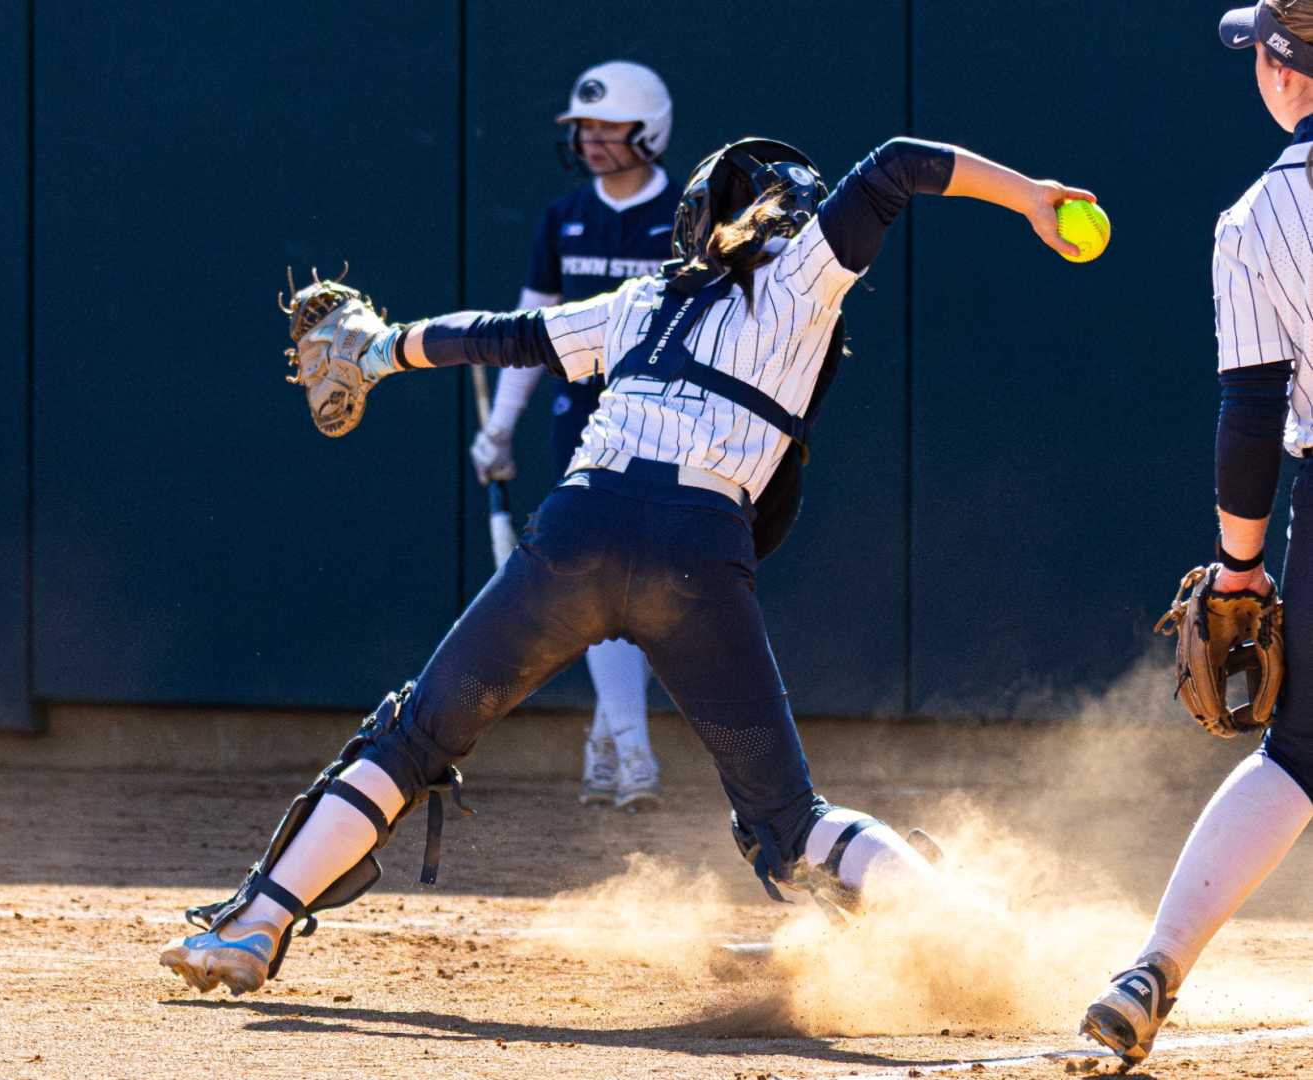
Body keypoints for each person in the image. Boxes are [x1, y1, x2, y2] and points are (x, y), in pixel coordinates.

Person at [161, 131, 1094, 997]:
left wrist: (378, 349)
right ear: (793, 216)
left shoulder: (643, 300)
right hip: (698, 551)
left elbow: (503, 335)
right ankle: (967, 932)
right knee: (789, 823)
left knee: (412, 740)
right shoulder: (805, 278)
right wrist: (1032, 197)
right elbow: (897, 163)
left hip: (580, 527)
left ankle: (256, 925)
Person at [1080, 2, 1313, 1066]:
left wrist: (1241, 566)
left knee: (1299, 757)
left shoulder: (1262, 216)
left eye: (1261, 51)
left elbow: (1254, 413)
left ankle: (1155, 969)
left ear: (1286, 73)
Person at [470, 60, 680, 810]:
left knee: (640, 589)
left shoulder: (687, 217)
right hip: (580, 427)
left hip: (666, 425)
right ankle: (634, 754)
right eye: (582, 128)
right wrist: (499, 429)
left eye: (606, 127)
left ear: (647, 131)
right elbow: (532, 329)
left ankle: (606, 738)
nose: (590, 139)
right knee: (598, 582)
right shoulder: (562, 219)